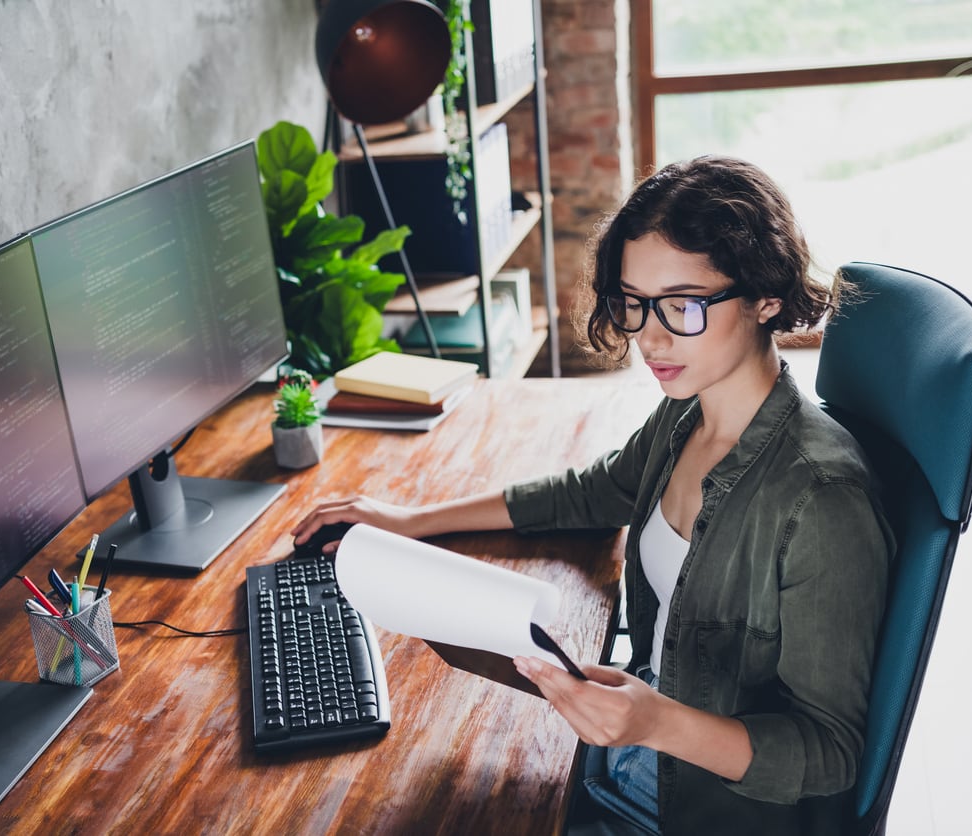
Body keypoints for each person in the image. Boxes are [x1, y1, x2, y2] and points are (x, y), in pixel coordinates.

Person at [292, 156, 894, 835]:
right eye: (635, 303)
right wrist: (412, 521)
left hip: (699, 805)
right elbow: (594, 491)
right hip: (639, 735)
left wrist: (655, 721)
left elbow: (833, 754)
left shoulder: (820, 500)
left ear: (766, 297)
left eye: (684, 306)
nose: (649, 337)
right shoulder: (687, 412)